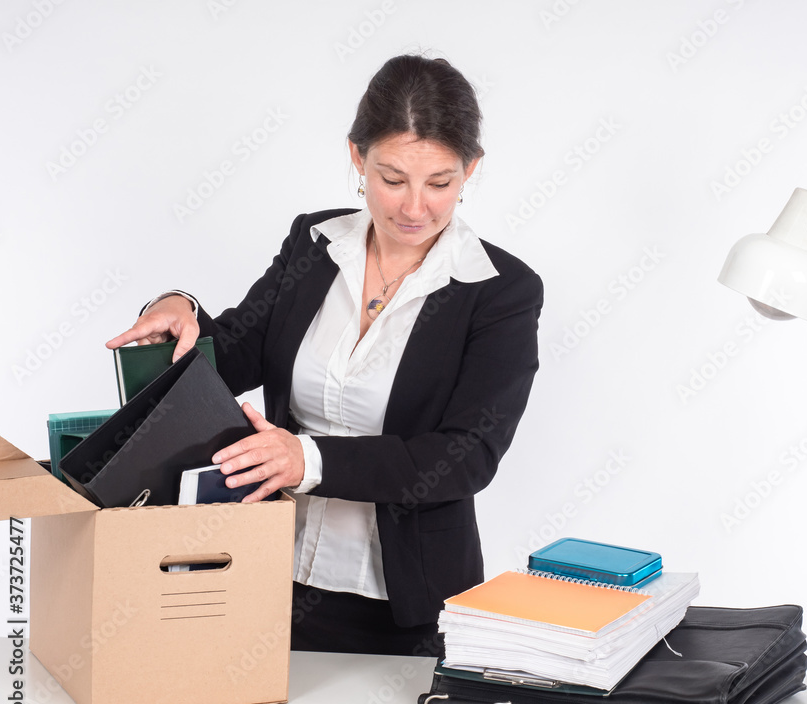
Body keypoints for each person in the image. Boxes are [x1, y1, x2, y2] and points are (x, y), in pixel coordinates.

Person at [106, 54, 542, 656]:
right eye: (392, 179)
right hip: (263, 577)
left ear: (471, 169)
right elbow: (234, 356)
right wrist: (178, 306)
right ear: (357, 159)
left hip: (407, 604)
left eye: (440, 183)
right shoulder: (314, 244)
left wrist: (304, 459)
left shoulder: (501, 290)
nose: (415, 208)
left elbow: (467, 456)